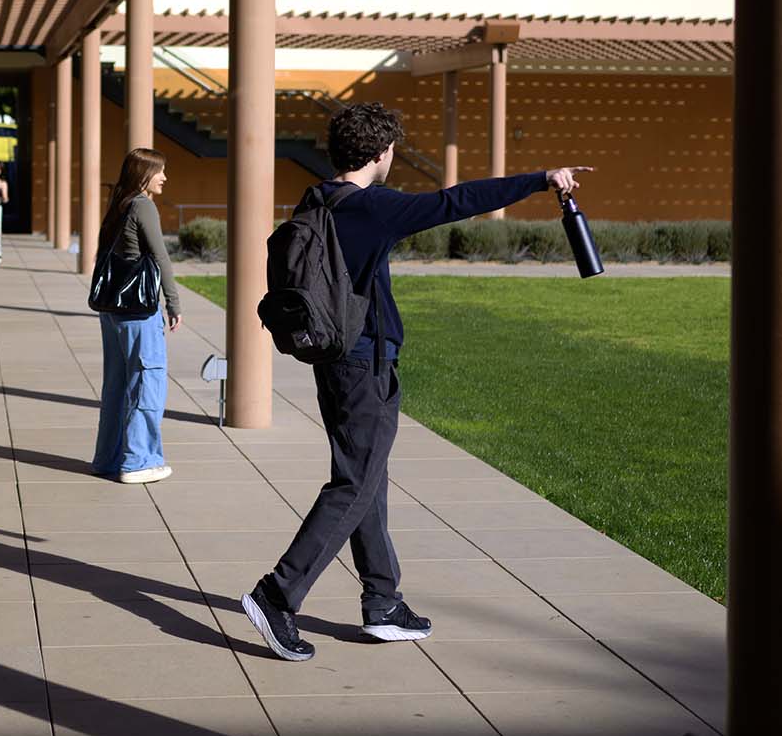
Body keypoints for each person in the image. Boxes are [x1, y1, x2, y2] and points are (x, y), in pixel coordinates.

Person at [241, 102, 591, 661]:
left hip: (333, 357)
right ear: (381, 153)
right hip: (364, 365)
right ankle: (278, 595)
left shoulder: (318, 199)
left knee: (367, 480)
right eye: (392, 150)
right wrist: (539, 179)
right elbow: (455, 202)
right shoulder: (372, 207)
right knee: (354, 486)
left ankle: (382, 602)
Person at [91, 147, 182, 484]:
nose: (164, 177)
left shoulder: (120, 203)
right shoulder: (143, 205)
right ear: (144, 174)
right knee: (147, 383)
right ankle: (139, 462)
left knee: (116, 386)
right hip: (138, 313)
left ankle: (108, 459)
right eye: (159, 171)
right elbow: (161, 257)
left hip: (112, 311)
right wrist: (173, 303)